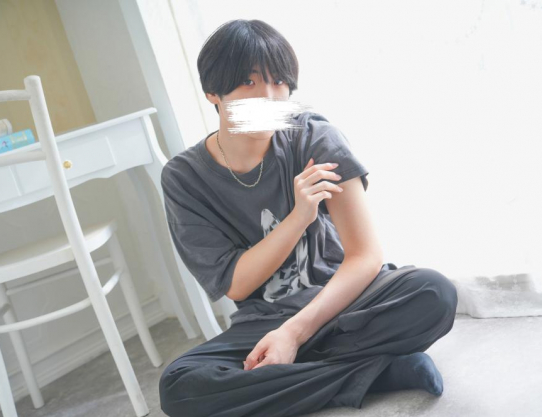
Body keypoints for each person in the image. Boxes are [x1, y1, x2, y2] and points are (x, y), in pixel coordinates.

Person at [159, 18, 458, 417]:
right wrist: (299, 217)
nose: (269, 97)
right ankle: (378, 372)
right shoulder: (184, 178)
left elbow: (365, 256)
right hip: (264, 318)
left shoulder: (313, 136)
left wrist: (294, 334)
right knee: (180, 388)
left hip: (344, 298)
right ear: (213, 92)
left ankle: (298, 372)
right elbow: (236, 283)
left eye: (279, 81)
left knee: (434, 293)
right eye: (248, 82)